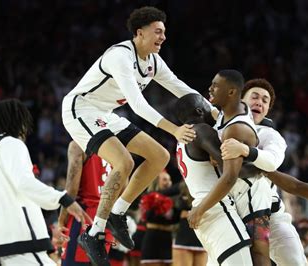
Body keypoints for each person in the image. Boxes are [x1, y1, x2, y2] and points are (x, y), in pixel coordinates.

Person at [61, 6, 211, 265]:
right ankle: (94, 233)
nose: (163, 36)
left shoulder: (153, 61)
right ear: (139, 33)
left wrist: (216, 112)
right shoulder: (120, 56)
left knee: (159, 156)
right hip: (80, 109)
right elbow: (138, 105)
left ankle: (118, 212)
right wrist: (174, 129)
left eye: (164, 32)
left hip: (105, 113)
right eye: (158, 31)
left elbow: (181, 88)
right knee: (125, 162)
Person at [0, 99, 89, 266]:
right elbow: (25, 183)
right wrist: (63, 198)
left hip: (6, 243)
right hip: (22, 240)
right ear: (18, 122)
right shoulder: (12, 144)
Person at [220, 78, 307, 265]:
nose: (260, 102)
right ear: (240, 101)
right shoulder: (221, 127)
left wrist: (245, 150)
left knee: (295, 262)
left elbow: (271, 162)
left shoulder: (270, 135)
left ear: (267, 110)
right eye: (255, 97)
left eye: (265, 100)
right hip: (229, 214)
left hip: (270, 216)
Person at [175, 93, 254, 265]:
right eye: (207, 105)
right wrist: (260, 163)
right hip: (217, 208)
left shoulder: (181, 140)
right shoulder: (202, 130)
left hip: (204, 212)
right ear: (199, 110)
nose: (213, 109)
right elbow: (233, 172)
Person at [57, 140, 115, 265]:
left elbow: (71, 190)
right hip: (107, 219)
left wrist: (61, 220)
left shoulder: (78, 144)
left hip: (84, 218)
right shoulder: (116, 146)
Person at [140, 171, 179, 266]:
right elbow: (148, 217)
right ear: (156, 181)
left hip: (167, 238)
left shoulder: (173, 199)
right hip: (153, 238)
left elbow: (176, 219)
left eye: (169, 180)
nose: (168, 182)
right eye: (165, 179)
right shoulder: (148, 197)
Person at [172, 181, 207, 266]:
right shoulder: (182, 193)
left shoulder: (207, 190)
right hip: (184, 238)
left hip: (202, 238)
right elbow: (175, 216)